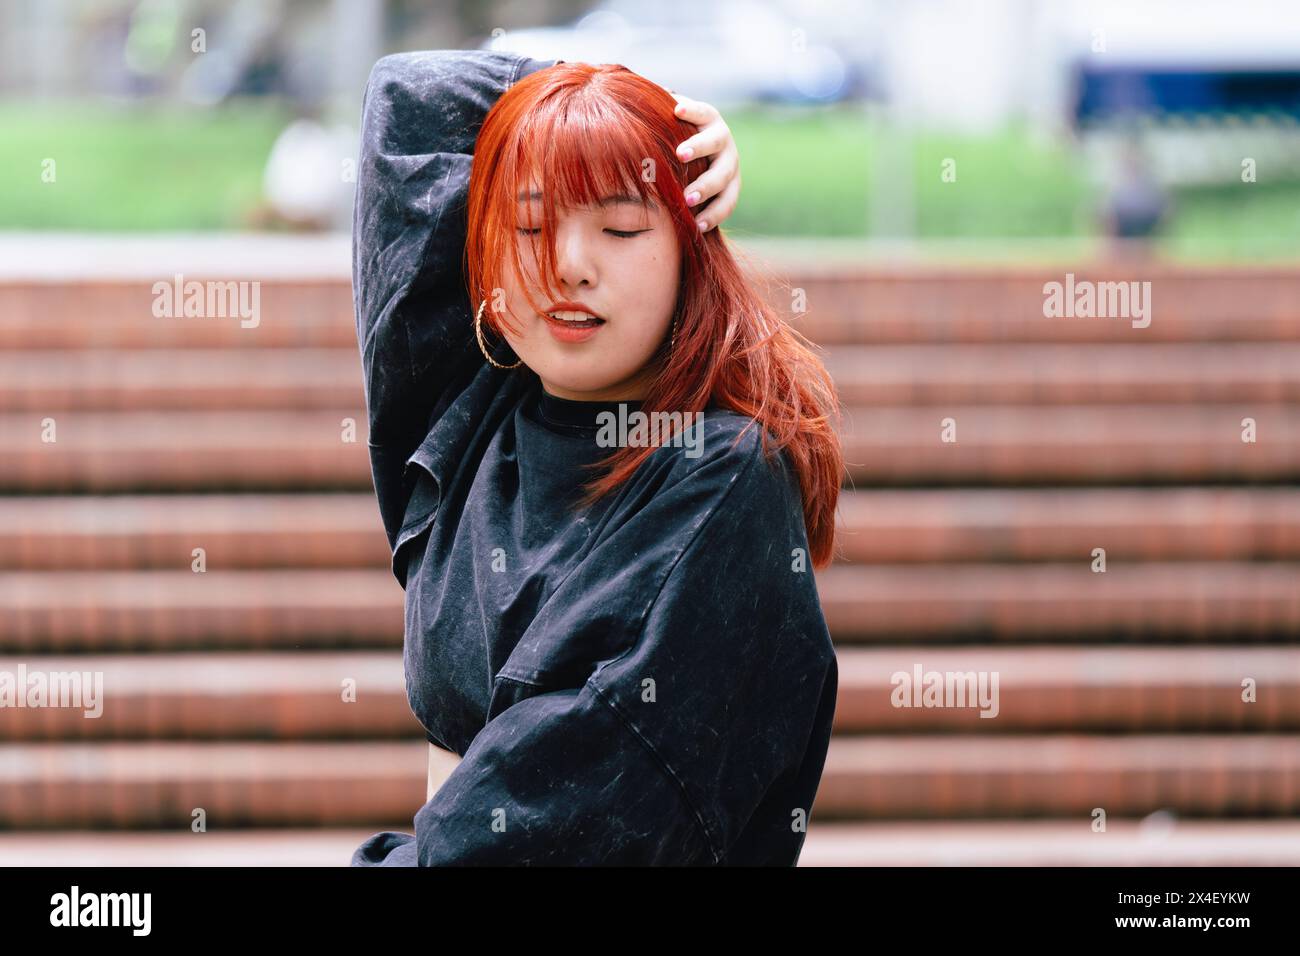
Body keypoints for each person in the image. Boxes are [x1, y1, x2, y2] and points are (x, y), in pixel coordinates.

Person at [349, 48, 843, 866]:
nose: (569, 266)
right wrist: (607, 99)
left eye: (618, 226)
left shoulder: (720, 475)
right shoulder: (467, 414)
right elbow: (406, 98)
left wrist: (641, 124)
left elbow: (549, 819)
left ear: (691, 245)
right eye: (533, 224)